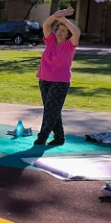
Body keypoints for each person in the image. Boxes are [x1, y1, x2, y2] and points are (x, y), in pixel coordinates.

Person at [34, 8, 81, 146]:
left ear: (67, 34)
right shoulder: (51, 40)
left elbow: (77, 32)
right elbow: (46, 25)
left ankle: (42, 137)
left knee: (51, 109)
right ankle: (59, 137)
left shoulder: (70, 45)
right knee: (52, 109)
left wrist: (63, 19)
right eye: (59, 30)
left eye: (63, 31)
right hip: (44, 79)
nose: (59, 33)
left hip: (60, 82)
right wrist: (56, 15)